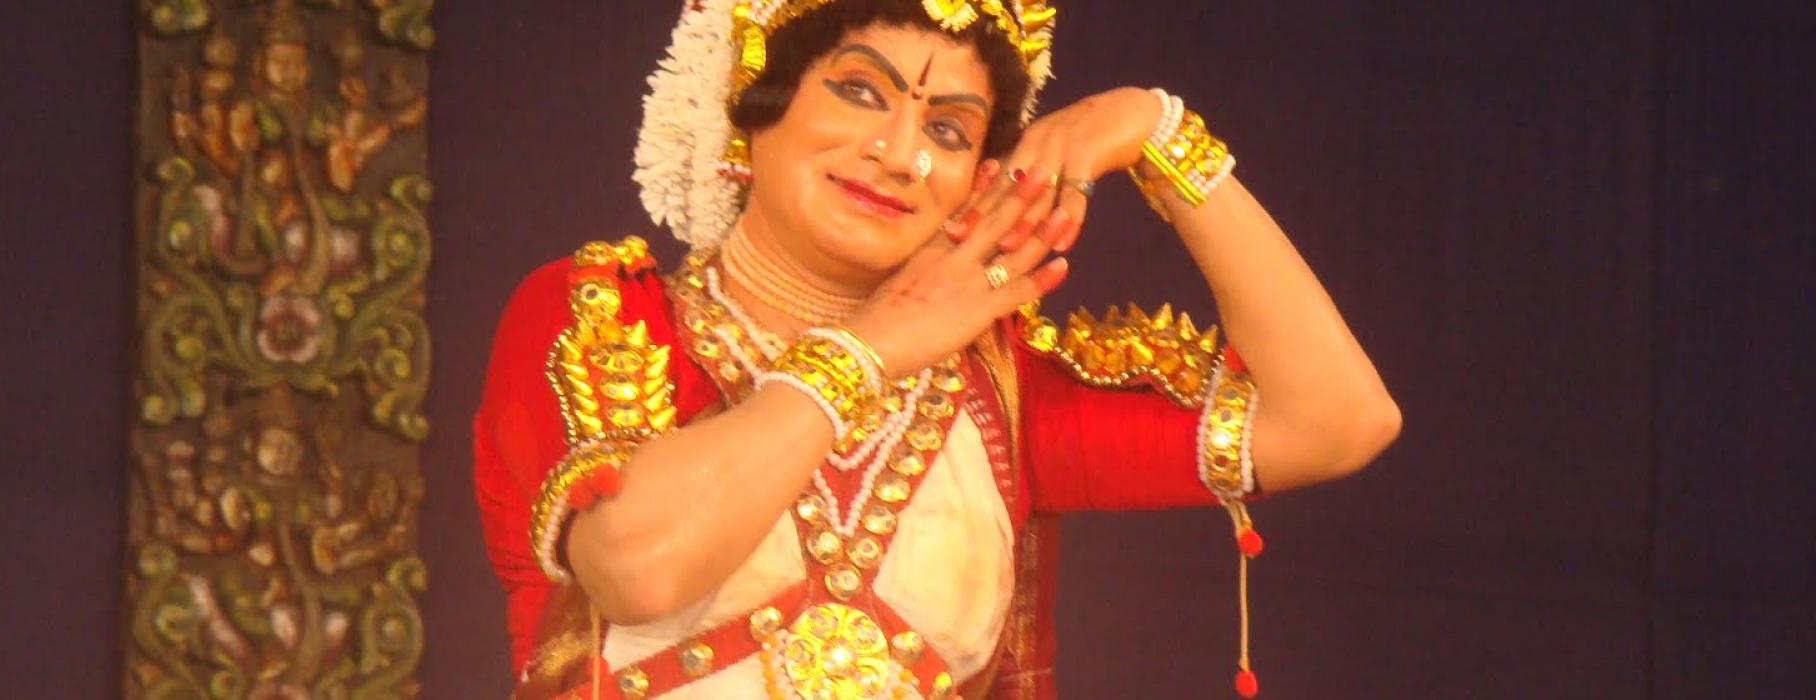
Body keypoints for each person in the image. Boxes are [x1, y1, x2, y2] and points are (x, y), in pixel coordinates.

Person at [472, 1, 1401, 697]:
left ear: (980, 181)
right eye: (858, 91)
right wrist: (872, 347)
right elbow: (638, 567)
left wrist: (1158, 133)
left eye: (948, 130)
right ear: (750, 103)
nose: (898, 152)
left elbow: (1337, 420)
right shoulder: (604, 317)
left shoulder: (999, 398)